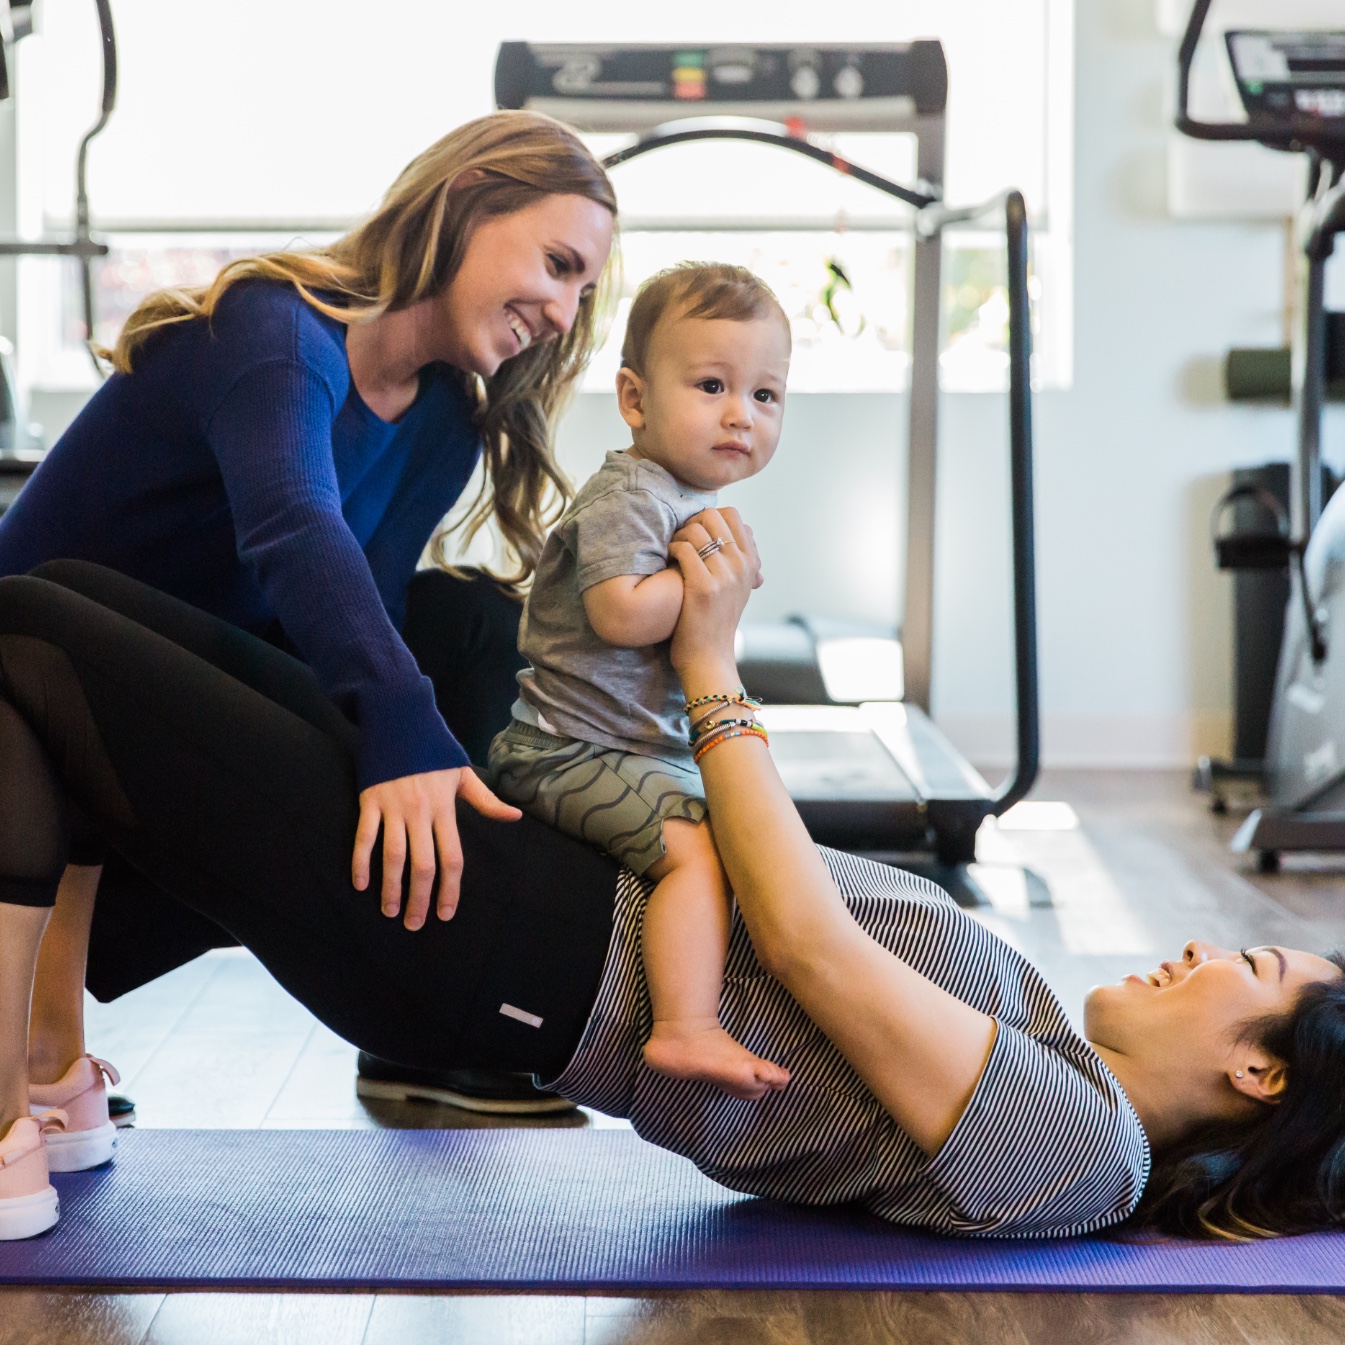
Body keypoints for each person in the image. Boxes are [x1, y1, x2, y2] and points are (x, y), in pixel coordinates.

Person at [0, 531, 1343, 1242]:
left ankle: (18, 1118)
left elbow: (807, 943)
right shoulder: (1061, 1069)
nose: (1202, 951)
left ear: (1261, 1073)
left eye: (1253, 972)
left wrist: (712, 663)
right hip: (532, 893)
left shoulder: (1084, 1155)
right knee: (58, 600)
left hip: (510, 964)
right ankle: (48, 1082)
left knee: (34, 638)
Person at [0, 109, 617, 1116]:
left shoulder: (443, 418)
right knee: (401, 696)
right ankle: (33, 1034)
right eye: (555, 264)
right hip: (23, 730)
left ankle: (436, 1018)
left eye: (581, 290)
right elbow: (291, 527)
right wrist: (403, 737)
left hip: (136, 776)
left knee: (468, 625)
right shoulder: (274, 331)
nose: (561, 310)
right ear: (465, 199)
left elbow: (342, 621)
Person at [488, 263, 791, 1100]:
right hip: (562, 749)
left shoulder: (689, 497)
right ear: (634, 398)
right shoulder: (631, 495)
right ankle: (682, 1028)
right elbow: (621, 611)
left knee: (756, 830)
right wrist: (713, 587)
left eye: (766, 395)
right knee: (695, 854)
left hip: (636, 749)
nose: (741, 413)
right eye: (711, 385)